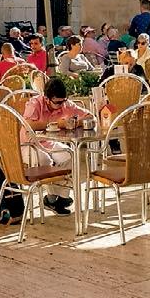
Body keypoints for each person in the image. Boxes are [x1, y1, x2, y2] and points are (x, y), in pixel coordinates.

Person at [22, 78, 91, 215]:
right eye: (57, 102)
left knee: (70, 155)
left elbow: (89, 116)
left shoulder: (64, 104)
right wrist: (56, 124)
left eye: (63, 101)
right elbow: (28, 124)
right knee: (44, 160)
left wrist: (75, 122)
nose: (61, 105)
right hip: (29, 144)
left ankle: (60, 197)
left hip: (49, 142)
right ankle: (52, 198)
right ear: (47, 99)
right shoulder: (35, 103)